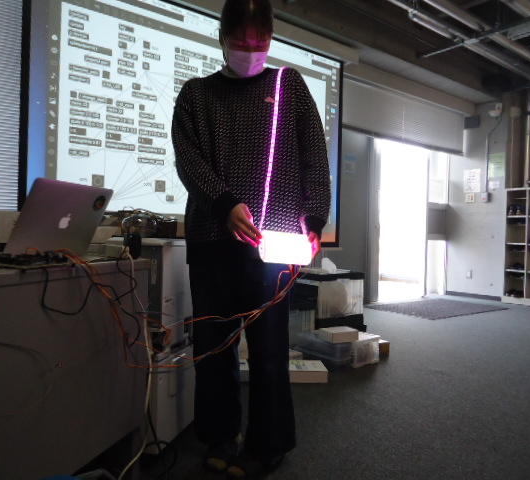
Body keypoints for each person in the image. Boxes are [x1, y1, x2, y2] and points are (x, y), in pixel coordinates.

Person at [172, 0, 331, 477]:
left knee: (269, 348)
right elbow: (188, 159)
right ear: (223, 38)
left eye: (259, 41)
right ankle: (219, 436)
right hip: (211, 238)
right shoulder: (196, 94)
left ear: (271, 38)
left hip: (273, 241)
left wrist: (314, 218)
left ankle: (268, 444)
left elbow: (314, 157)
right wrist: (224, 204)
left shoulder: (289, 86)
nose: (251, 49)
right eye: (241, 41)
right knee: (214, 347)